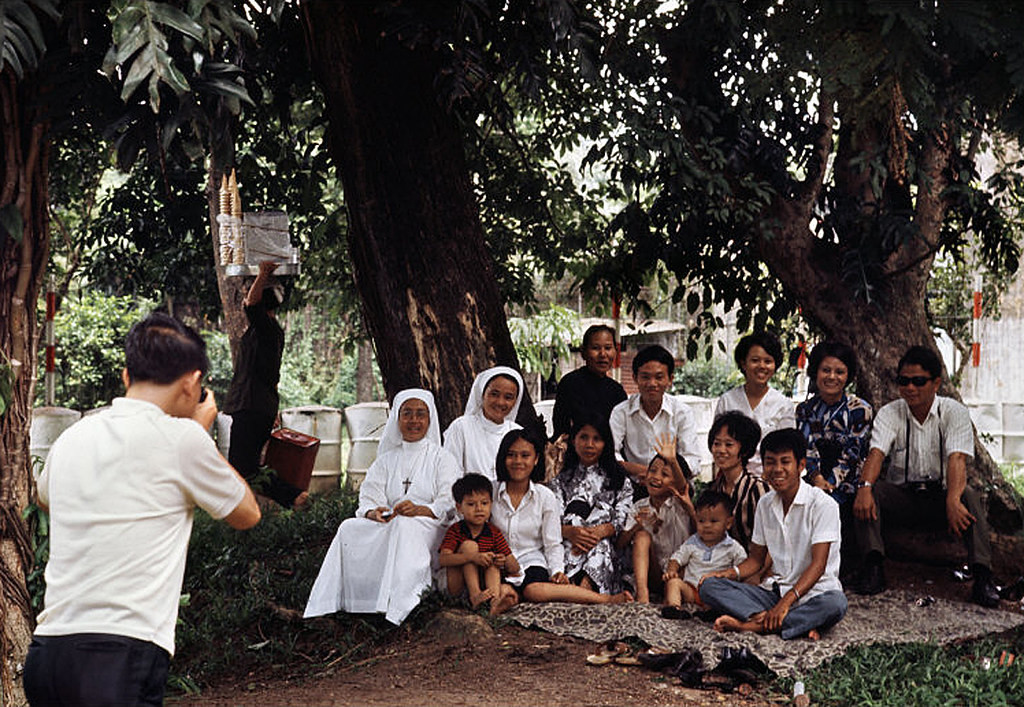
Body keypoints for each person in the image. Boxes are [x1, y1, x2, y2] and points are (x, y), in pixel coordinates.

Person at [24, 313, 261, 706]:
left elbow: (46, 497)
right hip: (117, 655)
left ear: (125, 376)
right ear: (192, 383)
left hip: (49, 654)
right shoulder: (183, 439)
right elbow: (247, 513)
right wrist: (200, 432)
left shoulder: (73, 437)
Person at [851, 346, 999, 607]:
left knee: (969, 496)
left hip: (941, 498)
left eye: (918, 381)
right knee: (870, 490)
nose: (910, 387)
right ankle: (873, 566)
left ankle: (983, 575)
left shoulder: (954, 412)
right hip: (904, 496)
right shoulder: (890, 412)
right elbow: (876, 453)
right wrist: (863, 487)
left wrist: (953, 500)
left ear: (936, 383)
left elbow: (957, 458)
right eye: (903, 381)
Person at [304, 389, 461, 624]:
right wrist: (374, 511)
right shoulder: (386, 459)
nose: (414, 421)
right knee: (349, 527)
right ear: (397, 418)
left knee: (405, 527)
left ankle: (399, 604)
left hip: (428, 525)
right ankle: (345, 602)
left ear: (430, 419)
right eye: (407, 414)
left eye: (421, 414)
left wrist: (420, 509)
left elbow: (448, 501)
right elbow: (370, 494)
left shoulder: (442, 458)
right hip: (390, 522)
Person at [699, 429, 847, 641]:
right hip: (773, 593)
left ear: (801, 466)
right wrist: (725, 575)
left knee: (836, 604)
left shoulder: (823, 504)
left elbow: (819, 565)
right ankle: (790, 623)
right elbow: (756, 560)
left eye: (785, 462)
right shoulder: (766, 504)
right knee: (709, 587)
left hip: (816, 594)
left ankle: (752, 626)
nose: (777, 469)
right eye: (770, 462)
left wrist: (785, 604)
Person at [491, 429, 633, 605]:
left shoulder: (544, 496)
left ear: (535, 459)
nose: (518, 461)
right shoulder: (490, 493)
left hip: (531, 562)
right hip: (497, 563)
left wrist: (557, 571)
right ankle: (509, 596)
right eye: (511, 455)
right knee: (502, 588)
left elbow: (552, 542)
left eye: (525, 455)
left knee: (533, 591)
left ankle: (605, 599)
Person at [222, 260, 308, 509]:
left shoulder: (266, 328)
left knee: (242, 468)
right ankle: (290, 498)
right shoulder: (266, 331)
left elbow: (251, 304)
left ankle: (294, 496)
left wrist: (263, 273)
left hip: (252, 406)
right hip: (256, 406)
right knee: (247, 467)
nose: (247, 295)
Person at [550, 418, 635, 594]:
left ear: (606, 443)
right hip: (569, 541)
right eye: (584, 437)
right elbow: (552, 520)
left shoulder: (619, 481)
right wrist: (570, 532)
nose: (589, 444)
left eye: (596, 439)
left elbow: (624, 518)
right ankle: (576, 587)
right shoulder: (560, 481)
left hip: (607, 547)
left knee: (600, 545)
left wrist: (602, 530)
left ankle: (583, 589)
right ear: (573, 441)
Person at [609, 344, 701, 488]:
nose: (652, 384)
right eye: (645, 377)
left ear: (670, 379)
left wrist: (661, 475)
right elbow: (610, 454)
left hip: (672, 487)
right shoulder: (621, 412)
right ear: (635, 378)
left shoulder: (682, 412)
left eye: (659, 377)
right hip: (635, 486)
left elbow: (693, 461)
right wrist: (643, 471)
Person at [616, 435, 695, 603]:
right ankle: (642, 594)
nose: (656, 477)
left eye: (665, 474)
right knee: (642, 536)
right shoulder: (639, 506)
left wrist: (672, 460)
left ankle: (671, 597)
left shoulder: (678, 502)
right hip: (654, 573)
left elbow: (681, 487)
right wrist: (637, 526)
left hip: (680, 573)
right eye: (652, 471)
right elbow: (620, 543)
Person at [796, 342, 873, 505]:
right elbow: (806, 448)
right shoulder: (805, 409)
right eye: (826, 370)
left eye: (839, 372)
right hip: (814, 482)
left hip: (850, 485)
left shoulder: (860, 410)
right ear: (815, 372)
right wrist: (817, 479)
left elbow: (853, 452)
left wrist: (831, 483)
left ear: (848, 375)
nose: (832, 377)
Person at [714, 332, 796, 476]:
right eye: (755, 360)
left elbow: (787, 450)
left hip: (769, 482)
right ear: (743, 363)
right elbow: (718, 446)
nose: (762, 366)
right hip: (732, 479)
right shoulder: (727, 401)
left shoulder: (783, 405)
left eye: (768, 361)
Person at [439, 473, 521, 615]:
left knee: (492, 562)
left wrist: (502, 561)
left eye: (484, 503)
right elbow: (443, 559)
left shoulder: (493, 532)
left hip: (485, 589)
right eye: (471, 504)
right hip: (458, 586)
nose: (479, 509)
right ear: (459, 507)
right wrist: (471, 557)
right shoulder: (456, 530)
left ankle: (493, 602)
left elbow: (514, 567)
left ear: (491, 504)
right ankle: (475, 596)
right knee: (469, 547)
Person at [663, 490, 747, 611]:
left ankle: (711, 612)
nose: (707, 525)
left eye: (713, 521)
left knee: (726, 595)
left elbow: (742, 569)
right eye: (701, 521)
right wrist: (671, 571)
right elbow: (677, 558)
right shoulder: (692, 542)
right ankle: (674, 608)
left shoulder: (733, 547)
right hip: (691, 589)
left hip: (716, 592)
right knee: (673, 583)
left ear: (728, 523)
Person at [444, 366, 525, 481]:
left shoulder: (519, 433)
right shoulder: (462, 427)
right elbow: (450, 475)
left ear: (516, 401)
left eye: (508, 397)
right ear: (482, 394)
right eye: (494, 394)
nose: (500, 402)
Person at [706, 412, 770, 551]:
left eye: (729, 444)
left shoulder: (757, 489)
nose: (721, 450)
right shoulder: (714, 489)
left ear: (745, 450)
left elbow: (771, 541)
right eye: (717, 444)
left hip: (755, 565)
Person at [551, 324, 627, 440]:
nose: (602, 354)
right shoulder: (570, 384)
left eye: (607, 348)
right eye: (596, 348)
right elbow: (561, 428)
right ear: (583, 352)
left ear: (615, 352)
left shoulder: (617, 391)